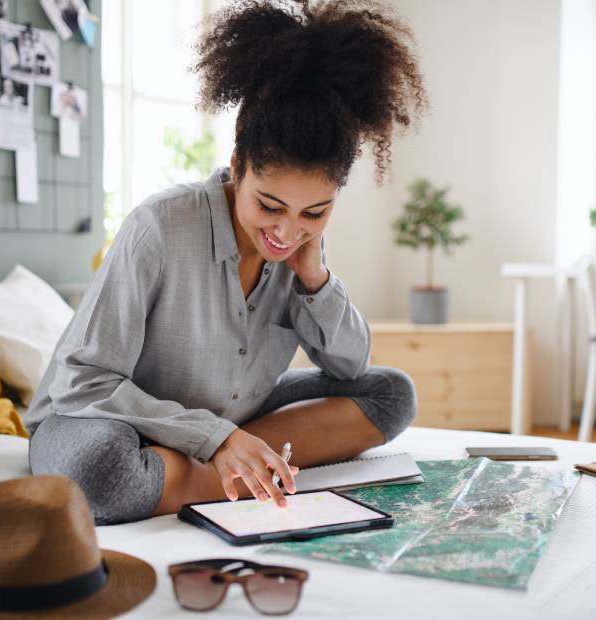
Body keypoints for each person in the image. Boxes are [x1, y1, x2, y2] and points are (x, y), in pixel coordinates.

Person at [26, 0, 426, 524]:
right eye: (269, 205)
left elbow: (350, 367)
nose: (286, 231)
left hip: (232, 411)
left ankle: (202, 467)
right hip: (106, 418)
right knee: (103, 472)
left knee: (392, 392)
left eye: (315, 211)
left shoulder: (299, 245)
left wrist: (315, 278)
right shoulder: (161, 226)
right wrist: (216, 437)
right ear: (238, 164)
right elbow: (83, 383)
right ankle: (231, 468)